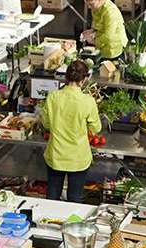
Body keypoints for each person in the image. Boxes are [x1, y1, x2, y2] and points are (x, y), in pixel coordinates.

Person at [40, 60, 101, 203]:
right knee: (75, 198)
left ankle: (47, 223)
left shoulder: (53, 96)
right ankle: (73, 224)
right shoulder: (88, 101)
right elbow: (95, 128)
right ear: (84, 79)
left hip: (56, 155)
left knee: (52, 196)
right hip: (78, 158)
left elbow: (46, 123)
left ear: (66, 77)